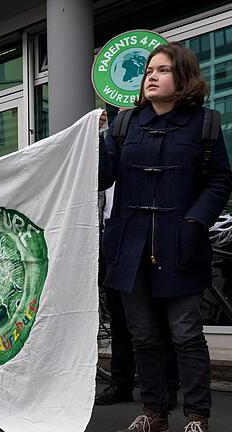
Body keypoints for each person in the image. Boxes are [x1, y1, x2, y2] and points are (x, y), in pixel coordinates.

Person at [99, 43, 232, 432]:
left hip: (181, 242)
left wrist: (194, 223)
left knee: (186, 332)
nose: (151, 76)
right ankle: (155, 413)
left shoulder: (205, 123)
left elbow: (220, 180)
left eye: (162, 70)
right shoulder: (124, 125)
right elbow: (104, 178)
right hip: (130, 245)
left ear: (184, 77)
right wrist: (97, 140)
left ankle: (196, 415)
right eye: (148, 71)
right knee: (142, 334)